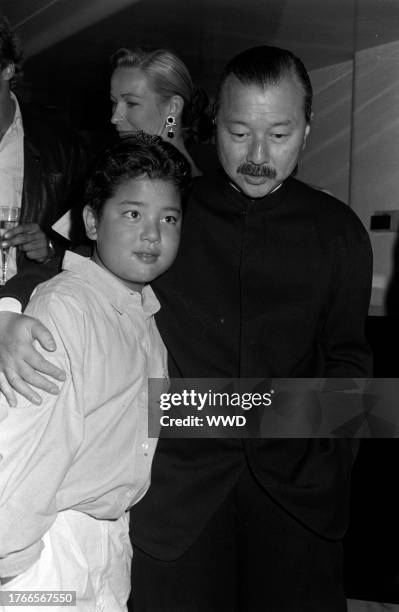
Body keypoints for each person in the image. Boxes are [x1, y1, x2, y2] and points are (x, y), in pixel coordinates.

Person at [0, 46, 372, 611]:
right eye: (239, 131)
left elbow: (353, 372)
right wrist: (5, 314)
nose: (257, 155)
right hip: (178, 506)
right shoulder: (175, 213)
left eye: (280, 134)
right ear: (212, 123)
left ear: (308, 128)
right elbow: (83, 269)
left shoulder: (340, 232)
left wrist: (328, 452)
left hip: (299, 499)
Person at [0, 133, 191, 611]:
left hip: (108, 542)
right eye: (132, 214)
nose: (152, 233)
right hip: (46, 549)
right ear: (91, 220)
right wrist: (15, 564)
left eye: (168, 218)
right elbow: (25, 444)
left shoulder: (144, 320)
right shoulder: (68, 307)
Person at [0, 14, 86, 306]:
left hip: (26, 307)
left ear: (7, 69)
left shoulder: (60, 146)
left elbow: (90, 240)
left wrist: (49, 247)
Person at [110, 47, 212, 176]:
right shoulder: (135, 171)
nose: (114, 118)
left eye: (131, 103)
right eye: (114, 102)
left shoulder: (184, 188)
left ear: (173, 107)